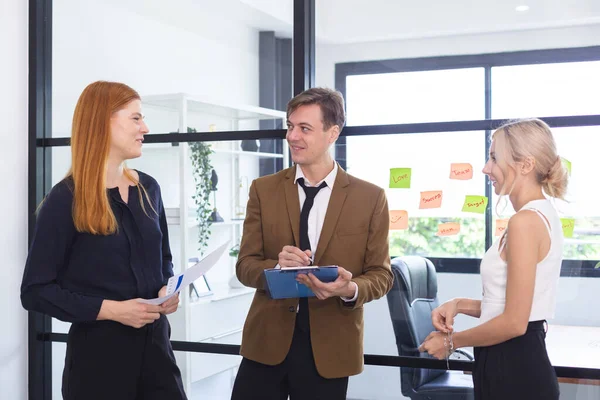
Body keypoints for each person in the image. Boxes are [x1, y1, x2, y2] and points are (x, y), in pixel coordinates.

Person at [21, 81, 187, 400]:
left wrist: (168, 289)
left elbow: (164, 259)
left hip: (158, 356)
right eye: (136, 118)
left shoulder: (148, 189)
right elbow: (35, 291)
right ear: (102, 121)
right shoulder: (64, 199)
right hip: (98, 364)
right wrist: (113, 310)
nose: (145, 128)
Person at [230, 87, 394, 400]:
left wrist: (349, 289)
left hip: (331, 348)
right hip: (266, 343)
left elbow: (381, 274)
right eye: (291, 127)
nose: (293, 136)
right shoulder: (263, 190)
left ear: (333, 133)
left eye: (305, 128)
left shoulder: (370, 198)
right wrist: (277, 267)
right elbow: (245, 265)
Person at [419, 118, 568, 399]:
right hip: (513, 360)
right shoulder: (542, 214)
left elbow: (514, 322)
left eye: (494, 158)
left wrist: (451, 342)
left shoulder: (525, 222)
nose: (486, 168)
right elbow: (514, 306)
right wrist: (459, 304)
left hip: (513, 366)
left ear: (525, 165)